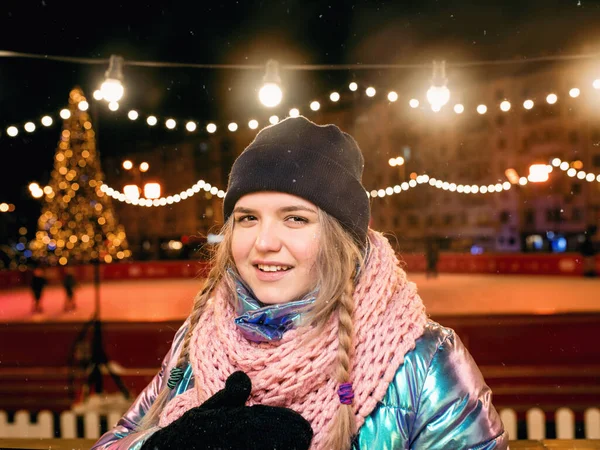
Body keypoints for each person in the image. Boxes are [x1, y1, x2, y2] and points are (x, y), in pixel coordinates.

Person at [93, 116, 507, 449]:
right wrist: (161, 445)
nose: (264, 243)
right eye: (247, 218)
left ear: (342, 238)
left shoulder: (426, 361)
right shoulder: (195, 341)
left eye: (295, 219)